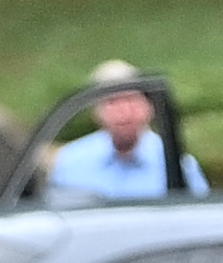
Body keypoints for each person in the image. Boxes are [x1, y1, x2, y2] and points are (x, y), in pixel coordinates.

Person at [41, 62, 204, 202]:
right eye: (112, 102)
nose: (124, 111)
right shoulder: (69, 163)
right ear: (96, 111)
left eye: (130, 100)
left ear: (148, 108)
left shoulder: (180, 165)